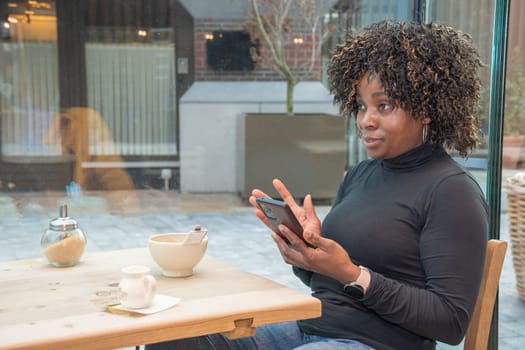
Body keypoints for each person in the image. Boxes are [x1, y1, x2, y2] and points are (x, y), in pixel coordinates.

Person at [146, 19, 488, 350]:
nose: (366, 121)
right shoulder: (360, 175)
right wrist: (307, 257)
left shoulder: (451, 190)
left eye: (384, 106)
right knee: (175, 335)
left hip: (374, 344)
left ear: (427, 108)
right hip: (308, 328)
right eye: (360, 106)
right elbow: (329, 283)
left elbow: (450, 322)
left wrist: (354, 274)